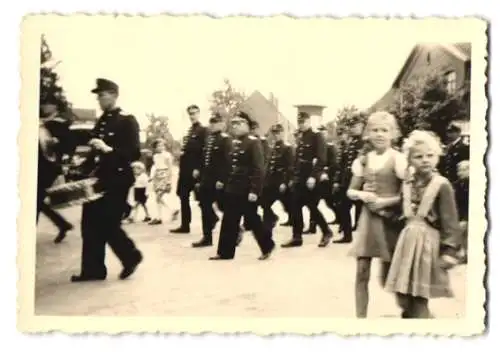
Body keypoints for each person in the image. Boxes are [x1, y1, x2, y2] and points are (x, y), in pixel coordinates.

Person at [71, 78, 143, 282]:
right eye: (98, 96)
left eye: (102, 95)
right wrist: (81, 170)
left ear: (114, 94)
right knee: (89, 224)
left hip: (118, 179)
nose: (99, 100)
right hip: (98, 179)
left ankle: (131, 256)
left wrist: (109, 149)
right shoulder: (102, 121)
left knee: (108, 223)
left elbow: (134, 152)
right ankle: (93, 269)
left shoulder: (127, 120)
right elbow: (94, 155)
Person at [385, 130, 461, 318]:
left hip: (427, 246)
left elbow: (451, 222)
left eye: (430, 155)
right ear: (409, 160)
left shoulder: (441, 185)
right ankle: (414, 317)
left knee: (419, 296)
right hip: (407, 244)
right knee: (402, 295)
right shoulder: (407, 184)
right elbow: (402, 214)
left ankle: (422, 325)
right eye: (419, 157)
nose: (425, 160)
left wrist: (450, 251)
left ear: (438, 157)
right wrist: (384, 213)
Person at [346, 111, 407, 318]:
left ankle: (414, 313)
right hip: (368, 221)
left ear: (393, 134)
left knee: (392, 275)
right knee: (361, 271)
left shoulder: (399, 159)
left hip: (392, 221)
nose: (380, 134)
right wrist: (362, 194)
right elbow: (350, 191)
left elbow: (407, 196)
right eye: (375, 130)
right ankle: (360, 320)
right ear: (368, 134)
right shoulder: (363, 160)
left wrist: (384, 202)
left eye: (384, 130)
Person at [209, 111, 275, 260]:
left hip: (246, 189)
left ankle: (267, 245)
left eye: (238, 123)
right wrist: (223, 181)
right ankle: (225, 252)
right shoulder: (234, 142)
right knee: (229, 220)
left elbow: (259, 168)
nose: (235, 126)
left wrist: (254, 190)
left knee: (252, 219)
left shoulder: (253, 142)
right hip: (233, 188)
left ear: (246, 125)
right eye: (233, 124)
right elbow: (230, 165)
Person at [281, 112, 334, 248]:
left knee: (311, 206)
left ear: (309, 122)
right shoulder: (302, 137)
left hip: (310, 178)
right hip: (300, 177)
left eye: (304, 122)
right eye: (299, 122)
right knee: (295, 206)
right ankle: (297, 237)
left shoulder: (317, 136)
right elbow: (298, 160)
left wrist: (313, 176)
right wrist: (293, 177)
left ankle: (326, 231)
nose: (301, 124)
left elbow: (321, 159)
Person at [37, 93, 75, 244]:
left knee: (35, 198)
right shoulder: (42, 122)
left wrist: (57, 142)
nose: (43, 106)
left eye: (47, 103)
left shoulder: (60, 123)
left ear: (54, 106)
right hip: (40, 165)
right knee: (37, 200)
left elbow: (70, 143)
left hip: (50, 167)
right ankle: (62, 224)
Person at [192, 113, 232, 247]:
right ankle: (207, 237)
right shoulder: (209, 139)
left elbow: (227, 162)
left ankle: (236, 229)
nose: (213, 125)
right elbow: (204, 160)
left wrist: (222, 179)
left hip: (218, 180)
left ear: (222, 124)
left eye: (216, 122)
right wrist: (200, 175)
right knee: (204, 205)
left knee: (224, 207)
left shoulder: (225, 139)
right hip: (207, 179)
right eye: (212, 123)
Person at [172, 105, 208, 233]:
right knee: (183, 195)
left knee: (202, 199)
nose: (192, 116)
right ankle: (185, 225)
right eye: (190, 114)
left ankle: (212, 219)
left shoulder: (203, 130)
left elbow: (204, 151)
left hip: (195, 170)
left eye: (194, 113)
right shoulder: (190, 131)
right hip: (185, 169)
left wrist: (199, 168)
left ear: (199, 114)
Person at [332, 114, 365, 243]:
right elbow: (344, 164)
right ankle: (347, 235)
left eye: (355, 126)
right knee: (344, 207)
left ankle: (363, 237)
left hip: (361, 182)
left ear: (361, 126)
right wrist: (338, 181)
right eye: (351, 126)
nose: (353, 129)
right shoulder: (351, 144)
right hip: (349, 182)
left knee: (362, 211)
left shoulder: (365, 143)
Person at [304, 125, 339, 236]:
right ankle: (312, 227)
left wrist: (324, 172)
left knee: (330, 203)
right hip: (317, 179)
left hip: (326, 180)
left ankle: (341, 220)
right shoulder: (316, 146)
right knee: (312, 202)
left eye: (324, 133)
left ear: (326, 134)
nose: (322, 135)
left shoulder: (330, 147)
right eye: (320, 133)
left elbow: (333, 165)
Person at [260, 124, 294, 231]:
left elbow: (289, 167)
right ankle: (269, 222)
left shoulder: (287, 148)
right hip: (271, 181)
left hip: (281, 182)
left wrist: (285, 182)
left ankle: (296, 224)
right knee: (264, 201)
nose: (275, 135)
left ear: (282, 133)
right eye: (274, 133)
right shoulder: (273, 148)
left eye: (278, 133)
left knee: (290, 205)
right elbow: (270, 165)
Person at [148, 138, 174, 225]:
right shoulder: (155, 156)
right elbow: (154, 167)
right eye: (158, 146)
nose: (161, 147)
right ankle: (160, 216)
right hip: (157, 176)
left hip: (164, 175)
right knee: (157, 198)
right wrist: (151, 176)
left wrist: (169, 181)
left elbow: (170, 168)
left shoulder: (167, 155)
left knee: (159, 196)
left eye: (162, 145)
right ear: (155, 147)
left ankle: (170, 211)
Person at [454, 160, 469, 263]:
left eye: (463, 170)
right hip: (460, 213)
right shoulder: (457, 184)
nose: (460, 173)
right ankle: (464, 254)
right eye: (459, 170)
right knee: (462, 235)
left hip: (467, 214)